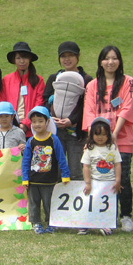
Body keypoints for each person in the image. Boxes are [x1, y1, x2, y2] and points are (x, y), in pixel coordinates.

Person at [82, 45, 133, 232]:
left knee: (123, 178)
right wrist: (92, 139)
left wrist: (114, 134)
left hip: (121, 139)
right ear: (100, 62)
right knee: (100, 177)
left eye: (114, 58)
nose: (110, 62)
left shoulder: (128, 82)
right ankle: (105, 215)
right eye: (106, 58)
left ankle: (126, 215)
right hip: (98, 141)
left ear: (120, 61)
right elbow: (89, 112)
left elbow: (127, 108)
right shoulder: (92, 85)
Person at [43, 41, 92, 181]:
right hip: (56, 131)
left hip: (76, 133)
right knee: (56, 169)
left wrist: (72, 120)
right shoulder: (54, 78)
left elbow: (86, 105)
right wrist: (51, 117)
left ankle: (77, 194)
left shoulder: (87, 79)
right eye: (63, 56)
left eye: (71, 55)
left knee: (76, 170)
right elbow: (45, 100)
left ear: (78, 56)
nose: (67, 59)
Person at [22, 106, 70, 235]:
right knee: (34, 203)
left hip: (50, 180)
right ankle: (36, 222)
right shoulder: (31, 141)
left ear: (47, 122)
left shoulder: (54, 139)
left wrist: (65, 174)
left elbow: (61, 158)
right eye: (34, 121)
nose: (37, 124)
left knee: (50, 203)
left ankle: (51, 222)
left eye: (40, 121)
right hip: (33, 180)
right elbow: (26, 161)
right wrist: (25, 178)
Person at [80, 117, 121, 236]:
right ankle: (87, 224)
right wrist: (88, 183)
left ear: (109, 135)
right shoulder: (89, 149)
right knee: (91, 203)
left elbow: (117, 164)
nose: (100, 137)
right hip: (95, 182)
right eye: (97, 134)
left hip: (110, 182)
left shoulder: (112, 148)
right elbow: (86, 166)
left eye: (104, 134)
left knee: (109, 204)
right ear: (92, 135)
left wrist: (118, 180)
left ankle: (108, 225)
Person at [0, 42, 45, 139]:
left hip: (32, 129)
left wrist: (26, 124)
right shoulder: (6, 80)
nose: (22, 61)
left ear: (29, 59)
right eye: (18, 58)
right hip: (10, 127)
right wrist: (10, 122)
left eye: (25, 57)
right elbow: (3, 103)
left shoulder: (38, 80)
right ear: (14, 60)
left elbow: (39, 103)